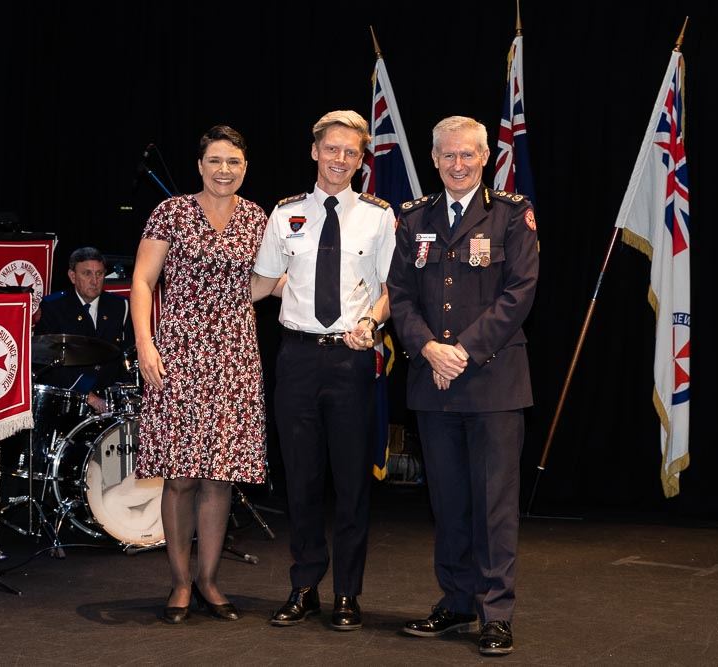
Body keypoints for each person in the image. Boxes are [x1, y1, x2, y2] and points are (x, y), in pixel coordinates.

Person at [386, 116, 539, 656]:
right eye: (447, 155)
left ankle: (495, 612)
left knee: (494, 503)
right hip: (433, 380)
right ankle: (455, 601)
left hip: (493, 382)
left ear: (484, 159)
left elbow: (519, 293)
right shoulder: (413, 218)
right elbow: (399, 295)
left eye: (467, 155)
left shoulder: (512, 215)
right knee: (447, 501)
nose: (457, 164)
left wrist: (464, 351)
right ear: (434, 159)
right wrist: (428, 348)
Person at [252, 110, 396, 631]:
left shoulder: (380, 216)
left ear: (361, 160)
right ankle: (305, 584)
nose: (340, 160)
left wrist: (372, 324)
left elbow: (389, 292)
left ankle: (348, 594)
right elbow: (258, 286)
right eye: (331, 149)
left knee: (353, 482)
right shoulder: (284, 214)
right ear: (315, 151)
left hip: (351, 358)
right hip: (296, 359)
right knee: (302, 478)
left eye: (351, 153)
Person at [131, 125, 267, 624]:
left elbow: (263, 281)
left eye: (233, 161)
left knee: (220, 475)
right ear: (200, 165)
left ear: (245, 167)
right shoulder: (170, 212)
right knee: (182, 475)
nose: (224, 169)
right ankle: (180, 583)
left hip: (234, 354)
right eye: (215, 160)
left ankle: (210, 581)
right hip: (179, 353)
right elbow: (143, 281)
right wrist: (146, 342)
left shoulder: (257, 218)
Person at [33, 246, 135, 414]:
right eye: (87, 274)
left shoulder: (119, 306)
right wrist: (88, 395)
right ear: (72, 276)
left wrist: (125, 395)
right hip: (70, 401)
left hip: (111, 400)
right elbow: (47, 362)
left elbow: (126, 354)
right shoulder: (53, 307)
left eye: (99, 274)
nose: (94, 281)